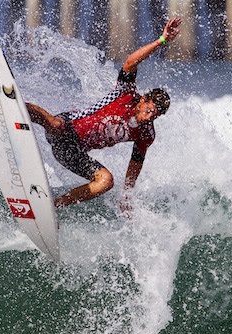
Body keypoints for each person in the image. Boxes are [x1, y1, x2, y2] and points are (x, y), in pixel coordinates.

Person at [27, 17, 182, 212]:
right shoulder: (126, 94)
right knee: (56, 125)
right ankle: (17, 104)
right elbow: (131, 62)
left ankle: (53, 207)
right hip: (66, 127)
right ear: (143, 99)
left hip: (71, 152)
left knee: (106, 181)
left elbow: (135, 165)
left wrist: (127, 197)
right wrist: (162, 40)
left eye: (156, 116)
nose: (150, 117)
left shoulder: (146, 134)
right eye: (150, 110)